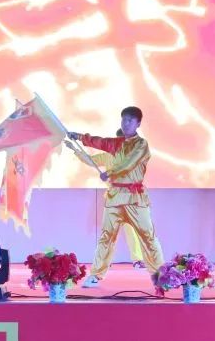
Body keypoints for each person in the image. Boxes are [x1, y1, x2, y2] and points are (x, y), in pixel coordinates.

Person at [66, 106, 164, 287]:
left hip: (134, 198)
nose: (125, 123)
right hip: (115, 197)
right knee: (106, 237)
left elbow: (129, 163)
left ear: (138, 123)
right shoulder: (116, 143)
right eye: (123, 120)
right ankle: (96, 275)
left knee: (147, 237)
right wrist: (78, 137)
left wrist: (110, 173)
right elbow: (99, 141)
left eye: (130, 120)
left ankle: (160, 276)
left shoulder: (141, 145)